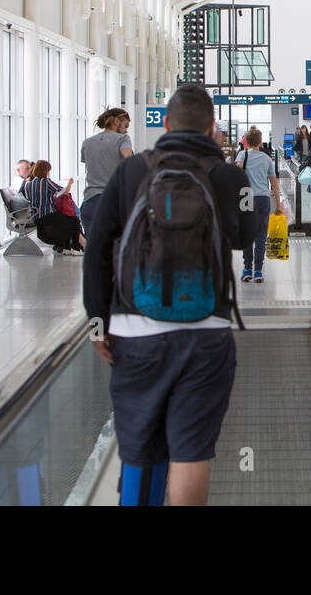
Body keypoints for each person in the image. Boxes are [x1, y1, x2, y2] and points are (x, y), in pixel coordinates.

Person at [84, 82, 255, 507]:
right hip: (206, 330)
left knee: (140, 452)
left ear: (164, 122)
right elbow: (245, 235)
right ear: (213, 126)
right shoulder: (230, 175)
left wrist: (97, 323)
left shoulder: (130, 172)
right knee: (191, 452)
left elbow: (98, 250)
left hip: (133, 329)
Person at [235, 128, 283, 283]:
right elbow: (274, 181)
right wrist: (278, 203)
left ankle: (247, 268)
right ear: (260, 141)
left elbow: (237, 171)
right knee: (261, 234)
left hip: (246, 197)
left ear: (246, 142)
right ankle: (258, 271)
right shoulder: (266, 158)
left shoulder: (242, 154)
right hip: (263, 198)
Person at [80, 107, 134, 235]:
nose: (126, 130)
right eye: (125, 125)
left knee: (95, 249)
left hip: (90, 202)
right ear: (116, 121)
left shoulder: (87, 142)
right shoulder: (122, 139)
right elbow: (130, 161)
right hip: (113, 200)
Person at [25, 160, 86, 254]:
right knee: (74, 221)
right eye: (48, 170)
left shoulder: (28, 184)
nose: (49, 173)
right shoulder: (46, 182)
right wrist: (70, 183)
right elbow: (64, 191)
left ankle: (67, 248)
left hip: (37, 217)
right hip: (48, 214)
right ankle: (76, 248)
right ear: (45, 171)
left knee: (67, 221)